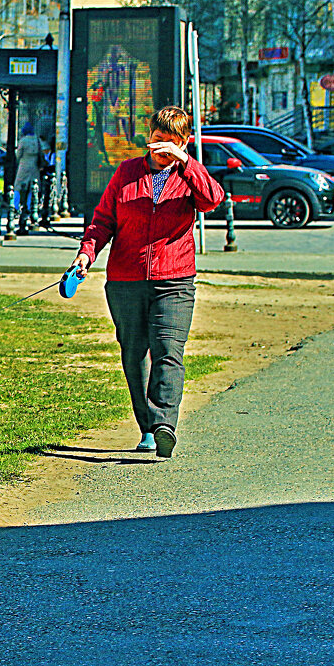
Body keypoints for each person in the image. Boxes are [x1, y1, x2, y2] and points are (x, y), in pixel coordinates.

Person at [70, 106, 224, 458]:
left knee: (168, 350)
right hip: (125, 279)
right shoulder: (126, 172)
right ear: (148, 137)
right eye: (157, 139)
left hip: (175, 279)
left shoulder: (189, 176)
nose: (160, 148)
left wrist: (185, 162)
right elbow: (102, 221)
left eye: (170, 142)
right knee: (134, 353)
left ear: (183, 143)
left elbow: (213, 199)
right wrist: (86, 255)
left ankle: (164, 423)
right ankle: (147, 428)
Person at [13, 122, 44, 232]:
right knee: (33, 189)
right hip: (34, 167)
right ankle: (31, 208)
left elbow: (18, 154)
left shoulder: (23, 140)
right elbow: (41, 153)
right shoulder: (36, 140)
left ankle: (15, 207)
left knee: (18, 187)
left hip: (24, 166)